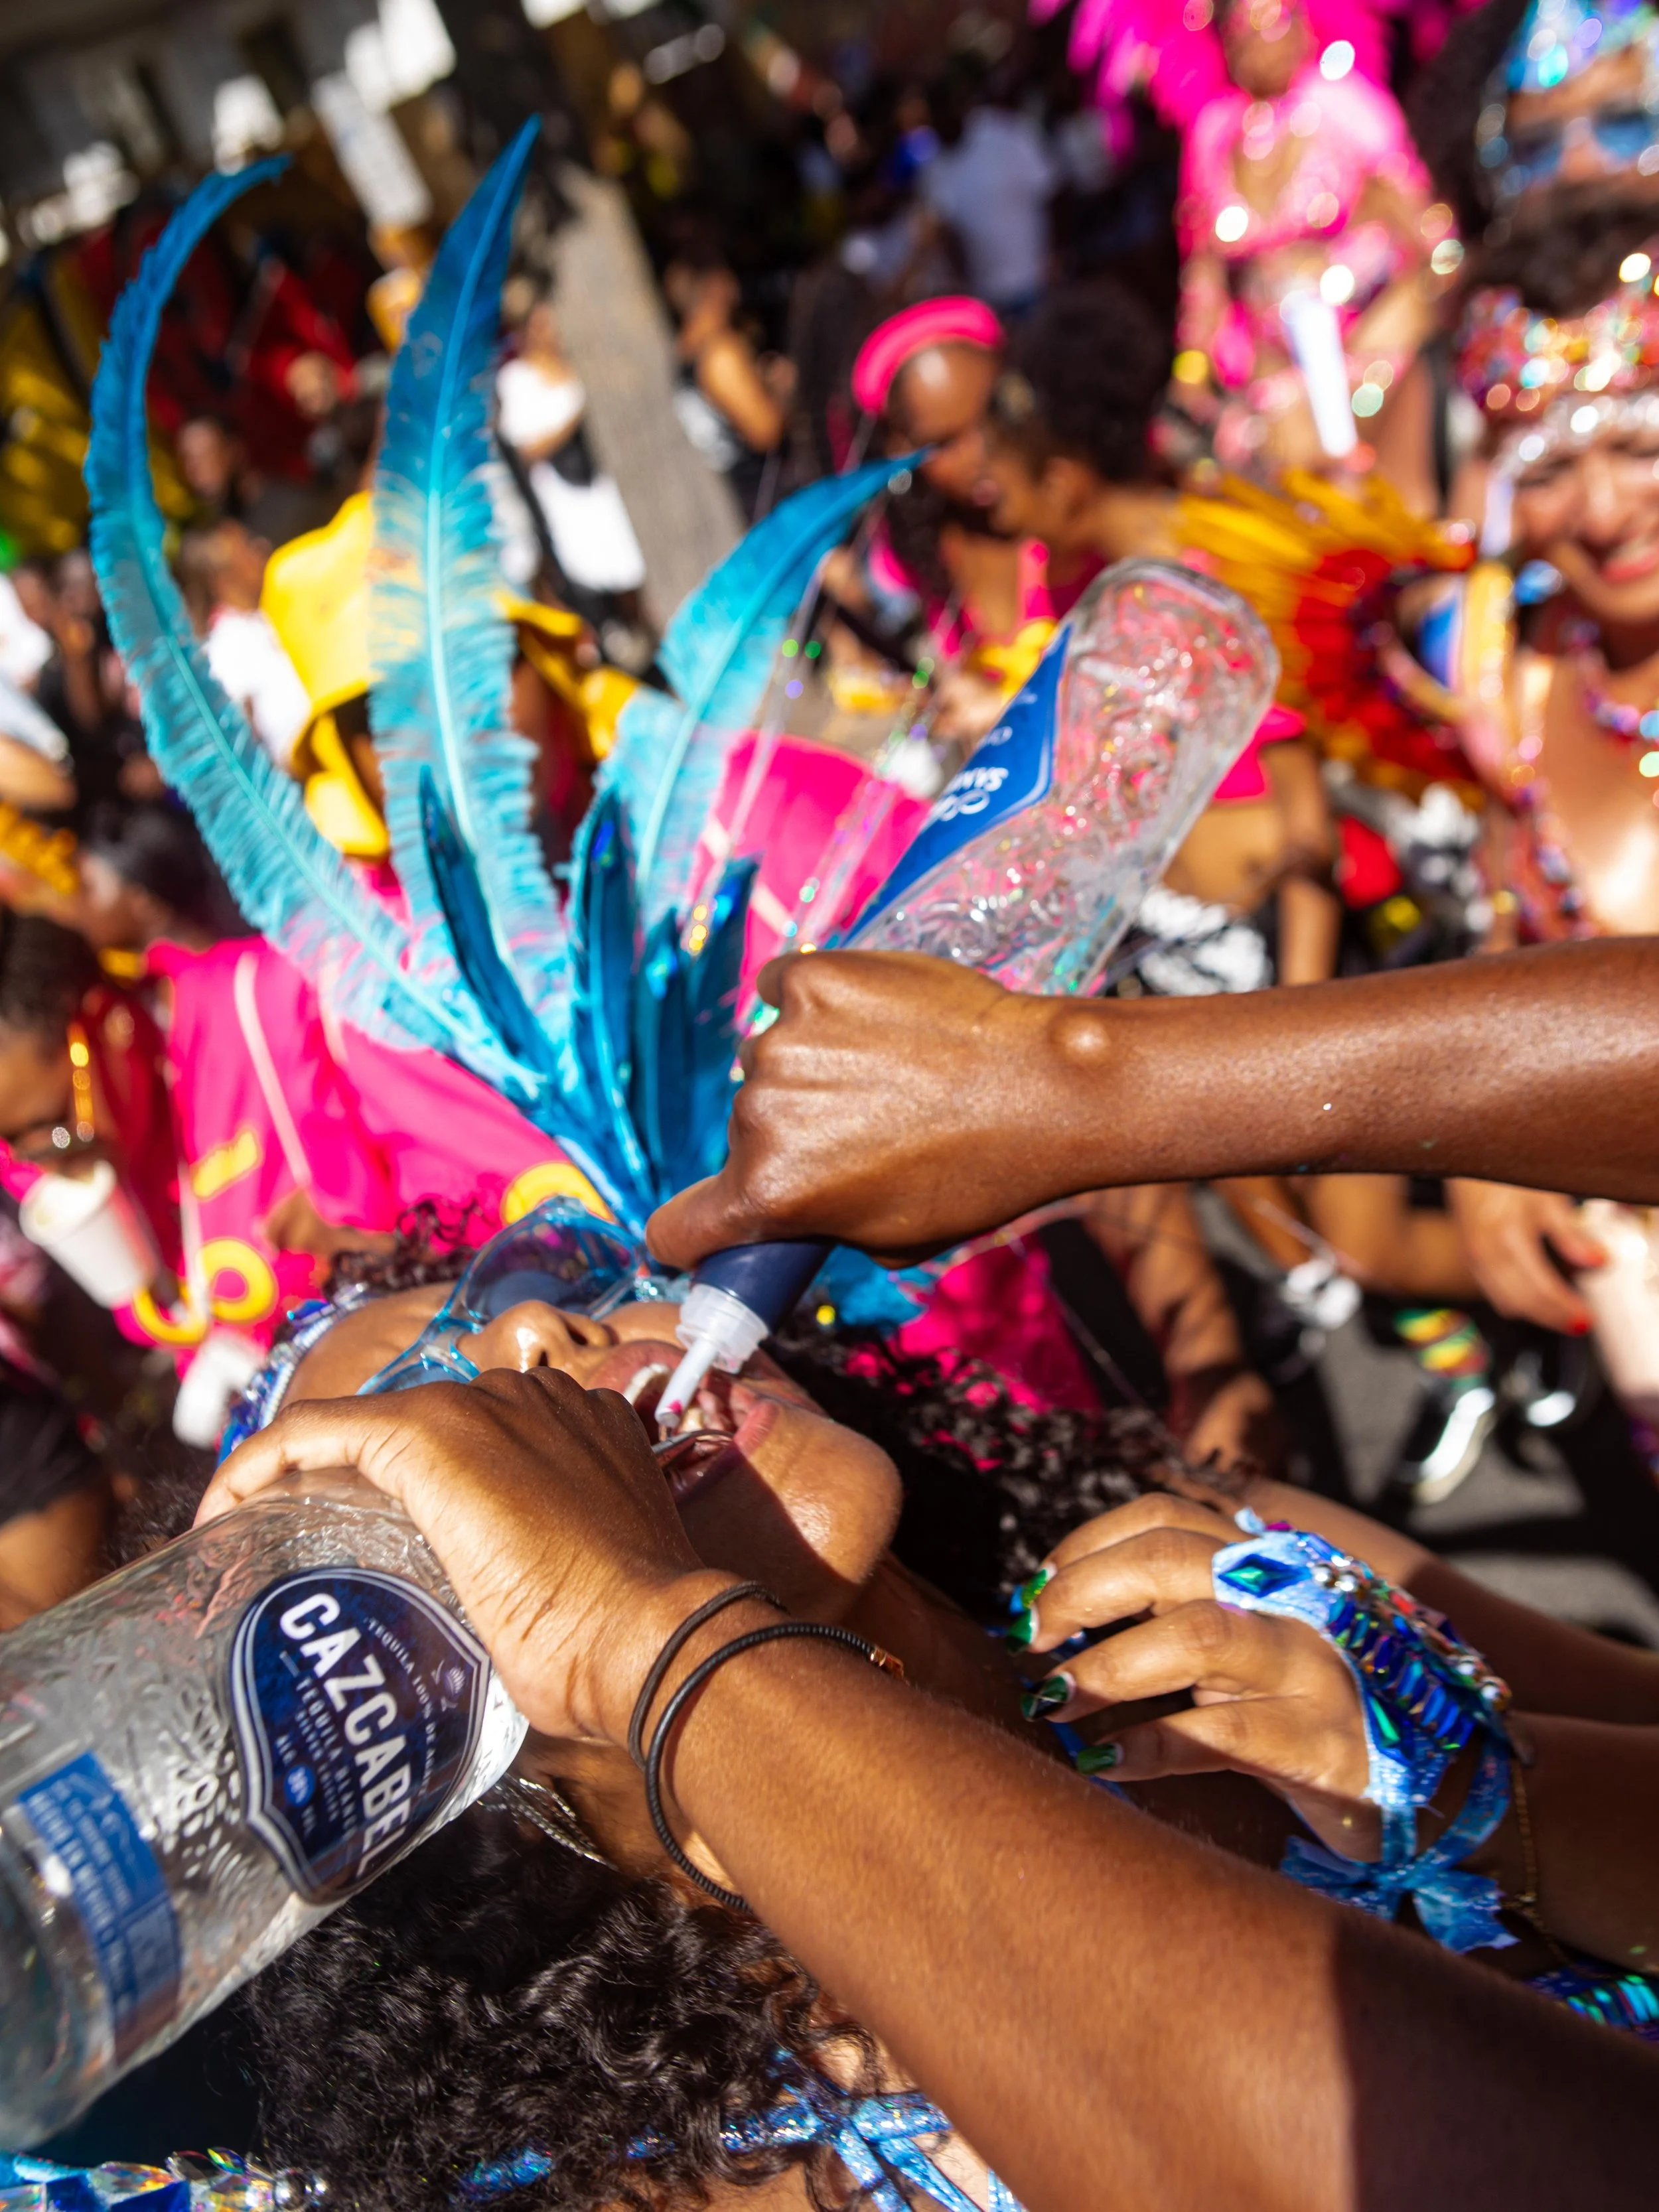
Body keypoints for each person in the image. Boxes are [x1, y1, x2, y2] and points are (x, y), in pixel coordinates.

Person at [199, 1347, 1659, 2212]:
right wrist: (654, 1644)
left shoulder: (1235, 1578)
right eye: (440, 1422)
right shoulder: (719, 2182)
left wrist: (1474, 1786)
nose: (540, 1333)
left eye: (560, 1266)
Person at [922, 70, 1058, 318]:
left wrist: (1055, 254)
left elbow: (1052, 192)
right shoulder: (934, 166)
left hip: (1036, 282)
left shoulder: (1006, 132)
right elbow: (946, 232)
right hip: (987, 301)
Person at [663, 255, 789, 522]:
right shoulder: (720, 354)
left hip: (745, 501)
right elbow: (766, 431)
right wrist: (785, 389)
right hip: (776, 495)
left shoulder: (683, 354)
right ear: (714, 286)